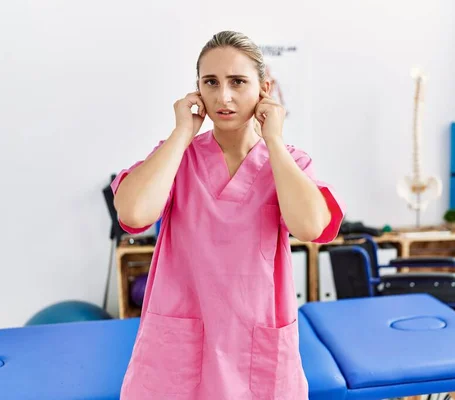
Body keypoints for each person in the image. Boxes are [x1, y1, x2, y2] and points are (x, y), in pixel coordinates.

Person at [111, 30, 345, 399]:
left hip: (255, 343)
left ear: (264, 87)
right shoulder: (178, 156)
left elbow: (310, 226)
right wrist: (182, 132)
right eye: (211, 82)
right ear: (197, 90)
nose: (224, 96)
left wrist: (275, 142)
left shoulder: (289, 163)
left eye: (238, 81)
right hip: (180, 346)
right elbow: (135, 213)